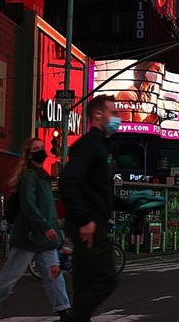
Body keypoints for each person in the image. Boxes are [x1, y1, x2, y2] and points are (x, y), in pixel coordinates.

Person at [0, 138, 71, 322]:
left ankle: (64, 311)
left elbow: (49, 210)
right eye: (36, 149)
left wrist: (55, 235)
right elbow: (28, 205)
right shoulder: (30, 176)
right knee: (10, 276)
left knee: (54, 274)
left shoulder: (42, 176)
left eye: (42, 148)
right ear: (29, 156)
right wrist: (46, 227)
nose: (41, 151)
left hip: (45, 239)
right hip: (28, 237)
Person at [59, 95, 131, 322]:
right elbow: (68, 182)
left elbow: (99, 192)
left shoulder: (102, 146)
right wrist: (85, 220)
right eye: (114, 112)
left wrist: (129, 203)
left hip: (89, 221)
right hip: (88, 225)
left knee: (84, 280)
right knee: (106, 278)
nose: (117, 118)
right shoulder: (89, 145)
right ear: (98, 115)